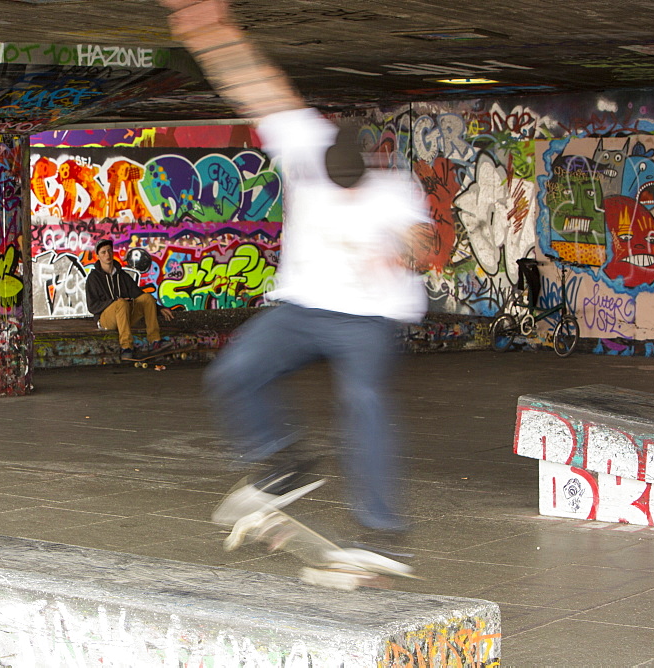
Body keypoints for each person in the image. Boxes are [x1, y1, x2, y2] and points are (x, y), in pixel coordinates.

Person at [158, 0, 436, 579]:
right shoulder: (305, 142)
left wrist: (408, 250)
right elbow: (257, 84)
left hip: (368, 321)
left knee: (364, 402)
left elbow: (425, 238)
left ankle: (384, 533)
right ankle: (284, 463)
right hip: (302, 311)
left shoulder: (392, 188)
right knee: (234, 373)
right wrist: (212, 30)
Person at [85, 239, 174, 360]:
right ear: (98, 256)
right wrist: (114, 302)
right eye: (103, 252)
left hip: (125, 316)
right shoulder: (93, 278)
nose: (107, 254)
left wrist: (159, 308)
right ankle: (126, 347)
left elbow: (138, 294)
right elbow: (92, 306)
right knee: (121, 303)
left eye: (109, 251)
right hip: (106, 319)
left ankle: (155, 340)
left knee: (147, 298)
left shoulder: (122, 275)